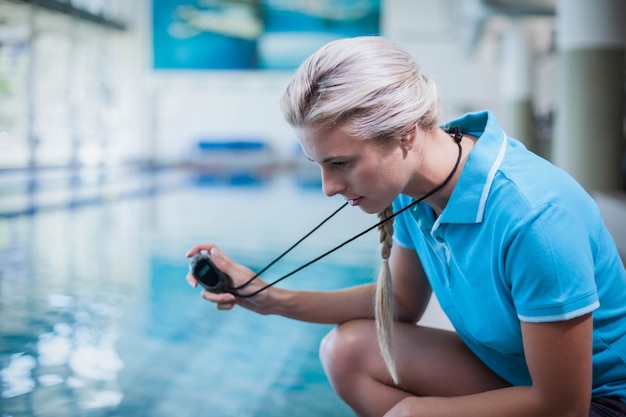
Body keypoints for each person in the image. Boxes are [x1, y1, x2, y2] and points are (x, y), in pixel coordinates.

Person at [185, 36, 626, 417]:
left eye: (341, 163)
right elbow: (400, 304)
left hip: (596, 400)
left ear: (406, 134)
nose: (328, 187)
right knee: (348, 351)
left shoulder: (534, 218)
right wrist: (268, 297)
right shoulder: (411, 186)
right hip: (514, 370)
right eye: (319, 165)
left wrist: (417, 411)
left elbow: (563, 405)